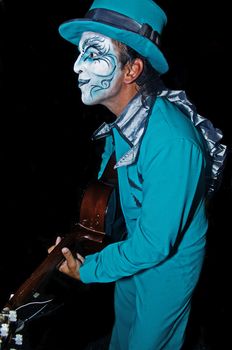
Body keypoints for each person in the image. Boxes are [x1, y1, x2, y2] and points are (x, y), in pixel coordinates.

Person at [49, 0, 227, 349]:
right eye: (80, 53)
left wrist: (88, 269)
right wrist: (83, 242)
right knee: (123, 336)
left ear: (131, 71)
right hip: (132, 248)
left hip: (166, 267)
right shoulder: (129, 120)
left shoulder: (173, 143)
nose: (76, 67)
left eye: (93, 54)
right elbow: (112, 188)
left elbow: (156, 244)